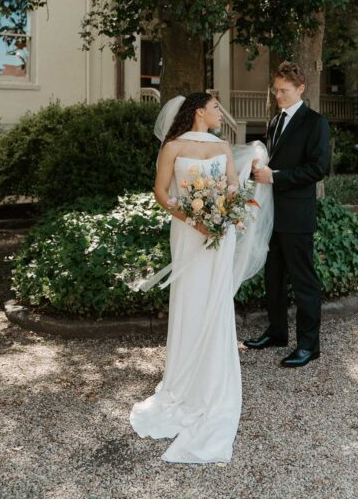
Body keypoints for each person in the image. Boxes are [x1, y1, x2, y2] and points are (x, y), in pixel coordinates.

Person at [129, 92, 273, 464]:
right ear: (199, 112)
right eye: (215, 108)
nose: (220, 114)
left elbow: (232, 187)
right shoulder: (173, 147)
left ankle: (212, 378)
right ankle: (184, 380)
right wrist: (195, 220)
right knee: (191, 297)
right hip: (189, 232)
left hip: (220, 234)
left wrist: (226, 212)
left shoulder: (222, 146)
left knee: (215, 299)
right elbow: (161, 193)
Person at [245, 61, 330, 368]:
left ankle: (309, 345)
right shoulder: (274, 121)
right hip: (271, 214)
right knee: (274, 278)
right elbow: (272, 164)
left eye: (284, 91)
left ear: (301, 88)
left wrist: (276, 176)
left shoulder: (315, 123)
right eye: (276, 90)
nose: (278, 95)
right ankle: (277, 332)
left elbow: (318, 169)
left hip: (296, 215)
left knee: (303, 281)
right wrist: (258, 170)